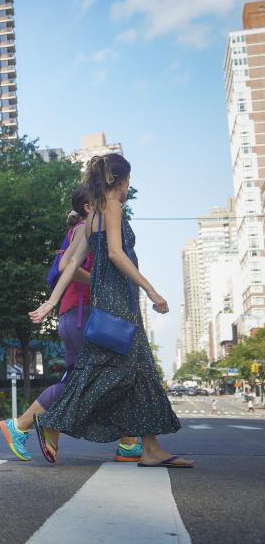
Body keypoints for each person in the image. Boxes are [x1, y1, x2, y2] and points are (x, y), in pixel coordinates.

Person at [29, 154, 191, 468]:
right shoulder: (112, 206)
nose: (129, 187)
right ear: (120, 179)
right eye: (128, 180)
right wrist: (151, 289)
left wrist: (51, 302)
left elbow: (71, 264)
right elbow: (116, 254)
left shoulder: (90, 218)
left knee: (137, 372)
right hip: (118, 300)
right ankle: (52, 420)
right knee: (120, 372)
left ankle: (151, 449)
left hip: (109, 300)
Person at [1, 185, 141, 463]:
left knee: (109, 375)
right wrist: (102, 283)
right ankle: (22, 425)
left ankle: (128, 442)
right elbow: (68, 266)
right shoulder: (83, 229)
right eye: (101, 199)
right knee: (104, 376)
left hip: (79, 314)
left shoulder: (88, 227)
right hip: (84, 314)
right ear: (89, 207)